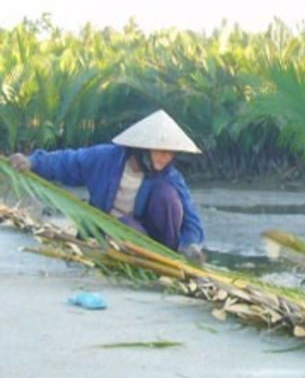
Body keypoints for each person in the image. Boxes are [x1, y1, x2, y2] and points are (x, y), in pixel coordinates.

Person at [9, 109, 206, 264]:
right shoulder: (107, 158)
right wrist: (32, 162)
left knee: (168, 196)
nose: (167, 157)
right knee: (128, 227)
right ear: (142, 148)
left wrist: (190, 245)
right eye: (160, 151)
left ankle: (167, 256)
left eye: (171, 153)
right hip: (108, 231)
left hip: (152, 237)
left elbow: (190, 216)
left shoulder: (170, 176)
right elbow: (68, 161)